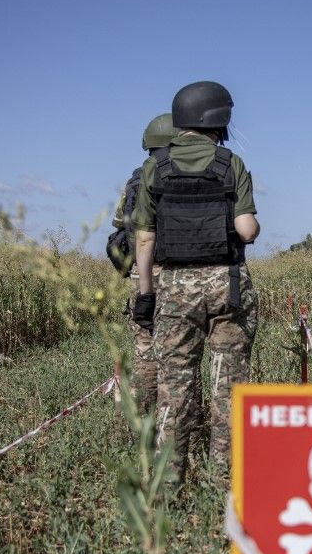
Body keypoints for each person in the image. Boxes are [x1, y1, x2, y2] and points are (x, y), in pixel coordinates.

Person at [130, 81, 259, 483]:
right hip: (227, 287)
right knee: (228, 386)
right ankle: (226, 479)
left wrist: (146, 294)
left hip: (174, 290)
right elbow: (247, 230)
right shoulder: (230, 163)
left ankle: (170, 481)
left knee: (175, 386)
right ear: (217, 118)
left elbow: (145, 237)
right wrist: (248, 222)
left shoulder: (155, 168)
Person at [107, 113, 180, 411]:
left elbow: (119, 224)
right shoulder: (187, 174)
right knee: (179, 349)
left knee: (145, 347)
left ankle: (145, 418)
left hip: (143, 270)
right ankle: (176, 417)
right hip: (182, 271)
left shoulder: (135, 179)